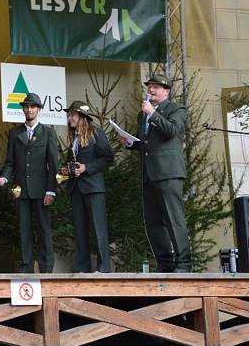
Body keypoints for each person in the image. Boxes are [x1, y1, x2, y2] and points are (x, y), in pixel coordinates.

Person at [119, 74, 191, 272]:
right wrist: (131, 143)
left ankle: (184, 263)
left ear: (166, 91)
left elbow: (172, 131)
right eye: (149, 87)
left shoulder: (176, 109)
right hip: (149, 173)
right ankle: (165, 263)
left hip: (168, 172)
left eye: (155, 87)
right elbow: (147, 144)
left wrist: (153, 114)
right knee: (153, 223)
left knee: (173, 219)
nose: (150, 90)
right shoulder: (142, 115)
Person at [0, 92, 59, 273]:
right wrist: (4, 178)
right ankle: (26, 266)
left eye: (32, 106)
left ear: (38, 109)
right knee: (24, 231)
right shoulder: (15, 133)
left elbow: (53, 165)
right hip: (21, 190)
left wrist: (51, 191)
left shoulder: (48, 133)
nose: (29, 109)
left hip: (42, 190)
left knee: (44, 230)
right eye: (26, 106)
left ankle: (46, 269)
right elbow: (10, 162)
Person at [62, 101, 114, 273]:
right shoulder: (74, 138)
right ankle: (82, 268)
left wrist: (86, 168)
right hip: (76, 189)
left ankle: (103, 268)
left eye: (73, 115)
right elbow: (74, 162)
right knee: (80, 229)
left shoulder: (96, 133)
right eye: (69, 115)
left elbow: (107, 158)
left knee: (98, 228)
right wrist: (66, 169)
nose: (70, 118)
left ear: (82, 117)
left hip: (93, 188)